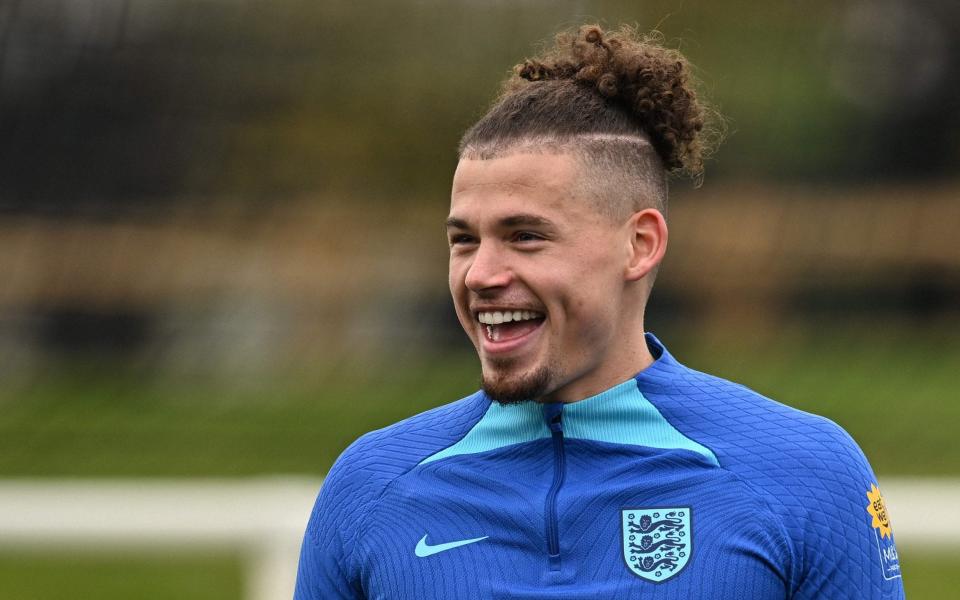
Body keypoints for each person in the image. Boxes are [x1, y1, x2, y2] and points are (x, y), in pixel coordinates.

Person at [294, 24, 905, 599]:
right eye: (464, 240)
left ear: (639, 245)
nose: (481, 274)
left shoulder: (806, 475)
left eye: (526, 235)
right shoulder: (370, 489)